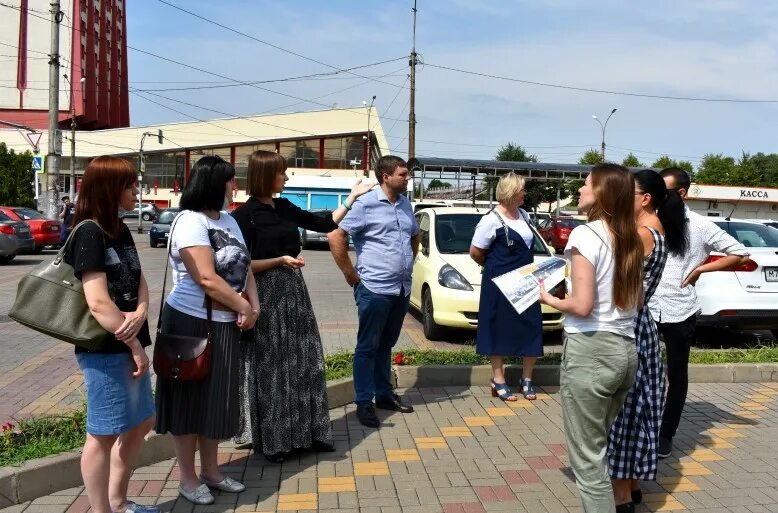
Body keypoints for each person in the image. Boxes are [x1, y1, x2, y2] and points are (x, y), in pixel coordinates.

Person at [231, 150, 374, 463]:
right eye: (282, 172)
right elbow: (240, 266)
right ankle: (275, 440)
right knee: (273, 368)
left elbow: (322, 223)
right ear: (266, 175)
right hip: (264, 295)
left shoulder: (283, 206)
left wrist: (351, 198)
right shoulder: (244, 215)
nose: (286, 177)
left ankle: (310, 432)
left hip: (294, 291)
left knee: (303, 361)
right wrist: (279, 261)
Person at [155, 156, 260, 506]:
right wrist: (242, 306)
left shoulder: (228, 219)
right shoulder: (189, 221)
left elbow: (245, 268)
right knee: (189, 403)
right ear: (215, 183)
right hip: (190, 322)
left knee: (216, 401)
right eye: (231, 181)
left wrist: (253, 304)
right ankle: (187, 478)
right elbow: (204, 277)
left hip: (225, 322)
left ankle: (212, 472)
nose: (235, 186)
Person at [539, 163, 644, 513]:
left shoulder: (586, 235)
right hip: (626, 351)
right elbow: (636, 300)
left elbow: (582, 306)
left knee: (588, 461)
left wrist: (550, 298)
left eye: (586, 184)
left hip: (591, 350)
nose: (580, 189)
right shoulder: (630, 235)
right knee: (597, 447)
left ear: (602, 193)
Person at [65, 156, 157, 513]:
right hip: (104, 348)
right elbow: (99, 302)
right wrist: (134, 343)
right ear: (109, 188)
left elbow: (138, 278)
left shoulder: (119, 228)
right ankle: (104, 510)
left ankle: (118, 502)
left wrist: (143, 311)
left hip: (128, 343)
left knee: (141, 421)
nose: (137, 191)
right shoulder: (89, 232)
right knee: (102, 434)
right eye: (130, 185)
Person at [649, 167, 749, 458]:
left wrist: (701, 268)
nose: (656, 197)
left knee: (676, 374)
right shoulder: (651, 221)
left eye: (663, 192)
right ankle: (644, 426)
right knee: (643, 370)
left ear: (681, 193)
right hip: (647, 307)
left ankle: (666, 434)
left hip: (680, 309)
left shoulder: (700, 225)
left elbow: (740, 252)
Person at [606, 170, 687, 511]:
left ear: (645, 198)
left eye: (630, 191)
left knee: (624, 414)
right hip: (645, 329)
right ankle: (634, 485)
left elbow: (623, 291)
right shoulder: (658, 230)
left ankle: (622, 496)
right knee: (638, 411)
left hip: (631, 329)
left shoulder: (641, 233)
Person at [327, 155, 419, 428]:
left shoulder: (405, 204)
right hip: (374, 288)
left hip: (400, 289)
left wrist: (408, 262)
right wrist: (350, 274)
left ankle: (384, 395)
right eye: (402, 174)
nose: (407, 178)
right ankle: (364, 403)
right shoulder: (365, 204)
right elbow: (336, 236)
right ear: (385, 177)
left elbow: (414, 235)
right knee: (367, 347)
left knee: (386, 345)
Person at [469, 172, 543, 401]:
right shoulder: (490, 219)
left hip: (525, 280)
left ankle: (527, 379)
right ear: (511, 192)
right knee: (497, 328)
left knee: (531, 327)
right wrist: (495, 269)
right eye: (522, 189)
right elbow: (475, 252)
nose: (525, 193)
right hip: (499, 284)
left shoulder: (525, 215)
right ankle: (498, 379)